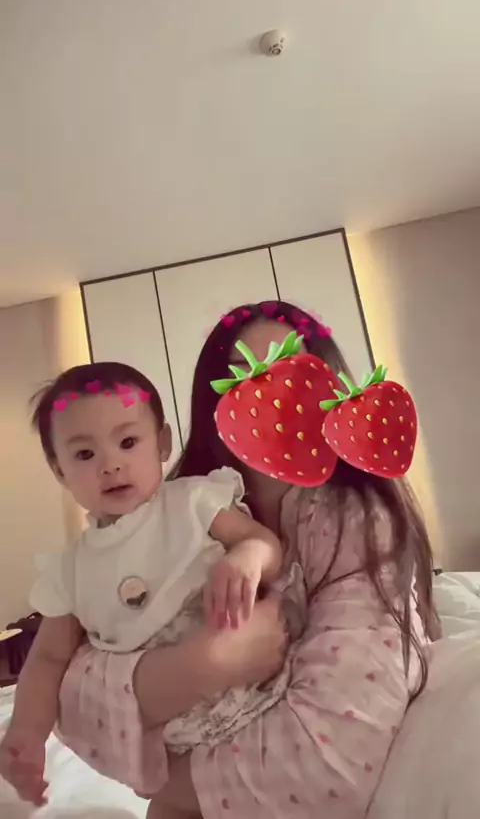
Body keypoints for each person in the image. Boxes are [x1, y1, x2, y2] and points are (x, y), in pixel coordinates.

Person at [1, 300, 440, 819]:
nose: (273, 398)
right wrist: (202, 665)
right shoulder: (130, 532)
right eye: (245, 378)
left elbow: (328, 762)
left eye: (295, 376)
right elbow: (62, 678)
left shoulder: (336, 521)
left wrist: (166, 784)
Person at [0, 361, 294, 817]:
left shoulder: (193, 502)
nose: (111, 464)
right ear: (60, 471)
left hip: (260, 701)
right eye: (85, 455)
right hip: (178, 747)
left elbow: (265, 543)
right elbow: (49, 658)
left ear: (163, 442)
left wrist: (247, 557)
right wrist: (26, 733)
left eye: (128, 442)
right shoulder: (70, 569)